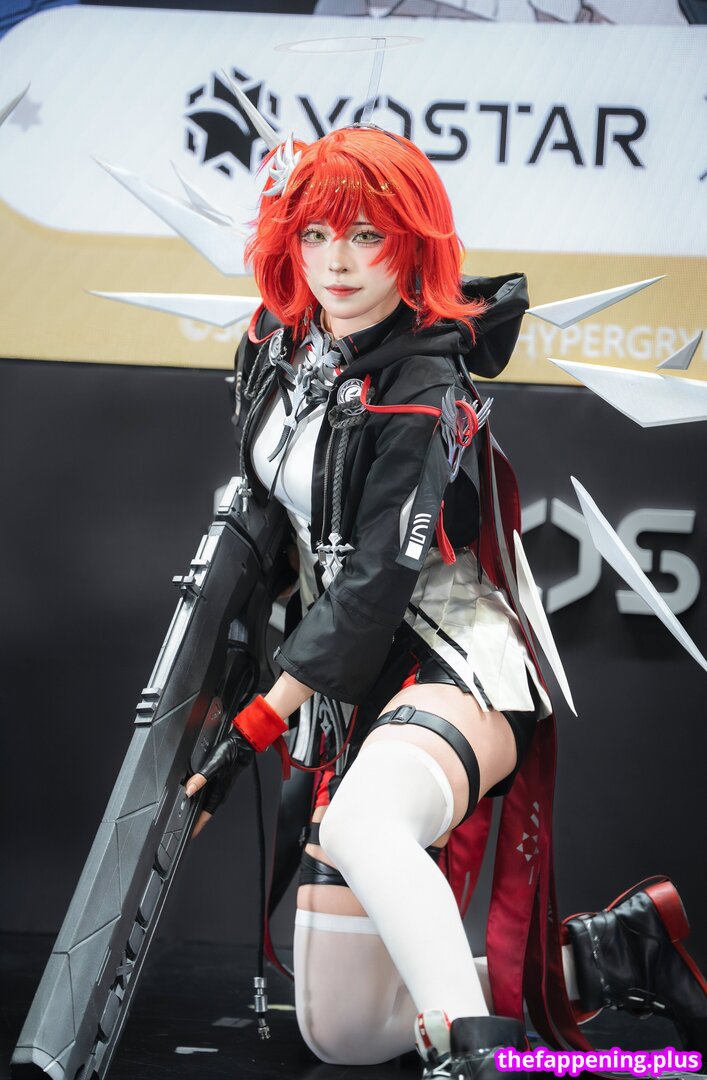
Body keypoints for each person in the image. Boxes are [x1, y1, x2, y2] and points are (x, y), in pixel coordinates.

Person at [185, 125, 707, 1079]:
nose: (336, 264)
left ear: (411, 243)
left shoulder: (424, 382)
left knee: (364, 825)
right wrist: (228, 680)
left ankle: (476, 1062)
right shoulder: (270, 341)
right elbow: (269, 519)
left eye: (366, 237)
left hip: (453, 656)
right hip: (341, 684)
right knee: (344, 1031)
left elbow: (378, 584)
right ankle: (605, 955)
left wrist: (257, 722)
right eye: (315, 235)